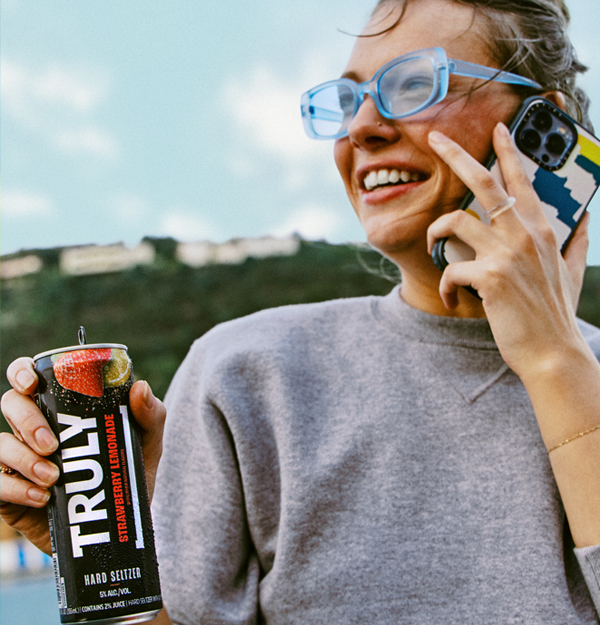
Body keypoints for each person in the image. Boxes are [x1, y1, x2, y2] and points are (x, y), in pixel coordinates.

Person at [2, 0, 600, 622]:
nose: (362, 128)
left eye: (417, 84)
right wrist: (98, 558)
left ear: (544, 125)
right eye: (348, 101)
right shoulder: (244, 376)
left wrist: (556, 362)